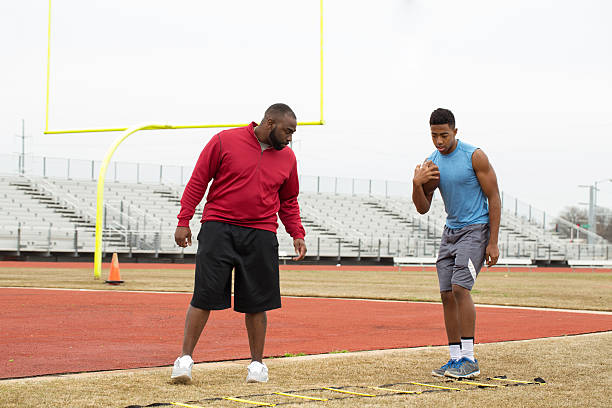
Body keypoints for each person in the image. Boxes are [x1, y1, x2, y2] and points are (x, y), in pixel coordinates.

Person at [171, 103, 307, 384]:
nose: (290, 138)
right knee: (204, 295)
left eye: (293, 133)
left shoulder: (288, 158)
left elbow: (288, 200)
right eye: (287, 131)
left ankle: (257, 365)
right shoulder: (224, 140)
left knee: (258, 302)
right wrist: (184, 219)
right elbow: (198, 181)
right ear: (269, 123)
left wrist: (297, 233)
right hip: (218, 228)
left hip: (260, 233)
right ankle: (184, 360)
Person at [412, 108, 500, 379]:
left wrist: (493, 242)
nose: (439, 141)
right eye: (434, 135)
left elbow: (494, 197)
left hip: (476, 229)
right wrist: (416, 184)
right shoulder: (432, 163)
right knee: (446, 294)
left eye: (444, 135)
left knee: (461, 288)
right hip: (450, 231)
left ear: (455, 132)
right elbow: (423, 208)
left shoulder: (474, 156)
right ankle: (454, 359)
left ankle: (470, 358)